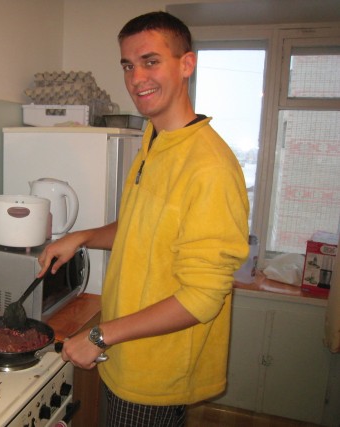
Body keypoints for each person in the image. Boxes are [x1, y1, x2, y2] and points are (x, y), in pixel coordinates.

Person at [37, 11, 250, 427]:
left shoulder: (209, 166)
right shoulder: (155, 139)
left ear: (186, 64)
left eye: (150, 61)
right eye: (128, 65)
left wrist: (98, 335)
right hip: (125, 352)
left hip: (154, 372)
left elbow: (201, 297)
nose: (136, 79)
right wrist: (80, 237)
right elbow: (139, 230)